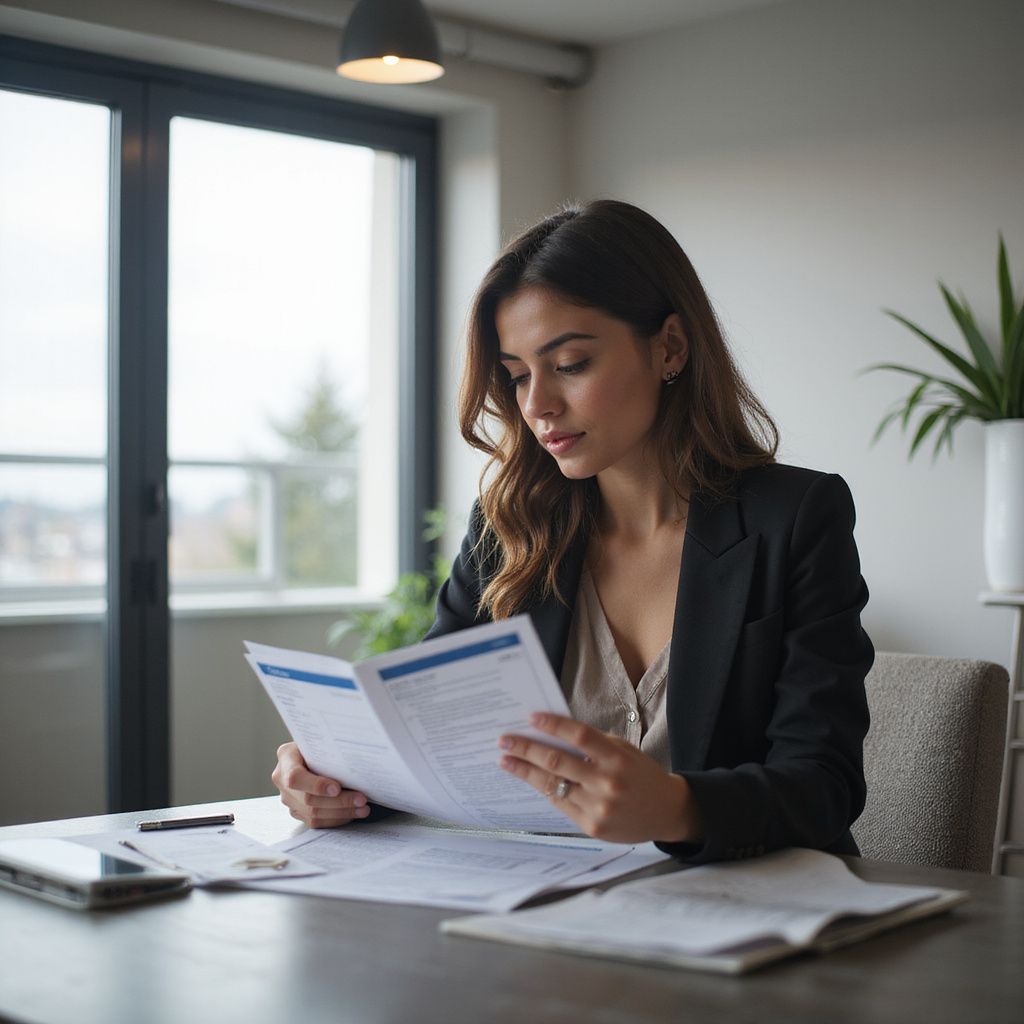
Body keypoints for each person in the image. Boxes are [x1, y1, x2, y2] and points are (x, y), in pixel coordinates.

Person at [273, 199, 873, 864]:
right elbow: (433, 743)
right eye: (518, 375)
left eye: (571, 363)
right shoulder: (508, 529)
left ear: (669, 346)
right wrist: (339, 777)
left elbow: (825, 785)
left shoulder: (795, 518)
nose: (537, 406)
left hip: (756, 911)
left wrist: (680, 807)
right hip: (556, 908)